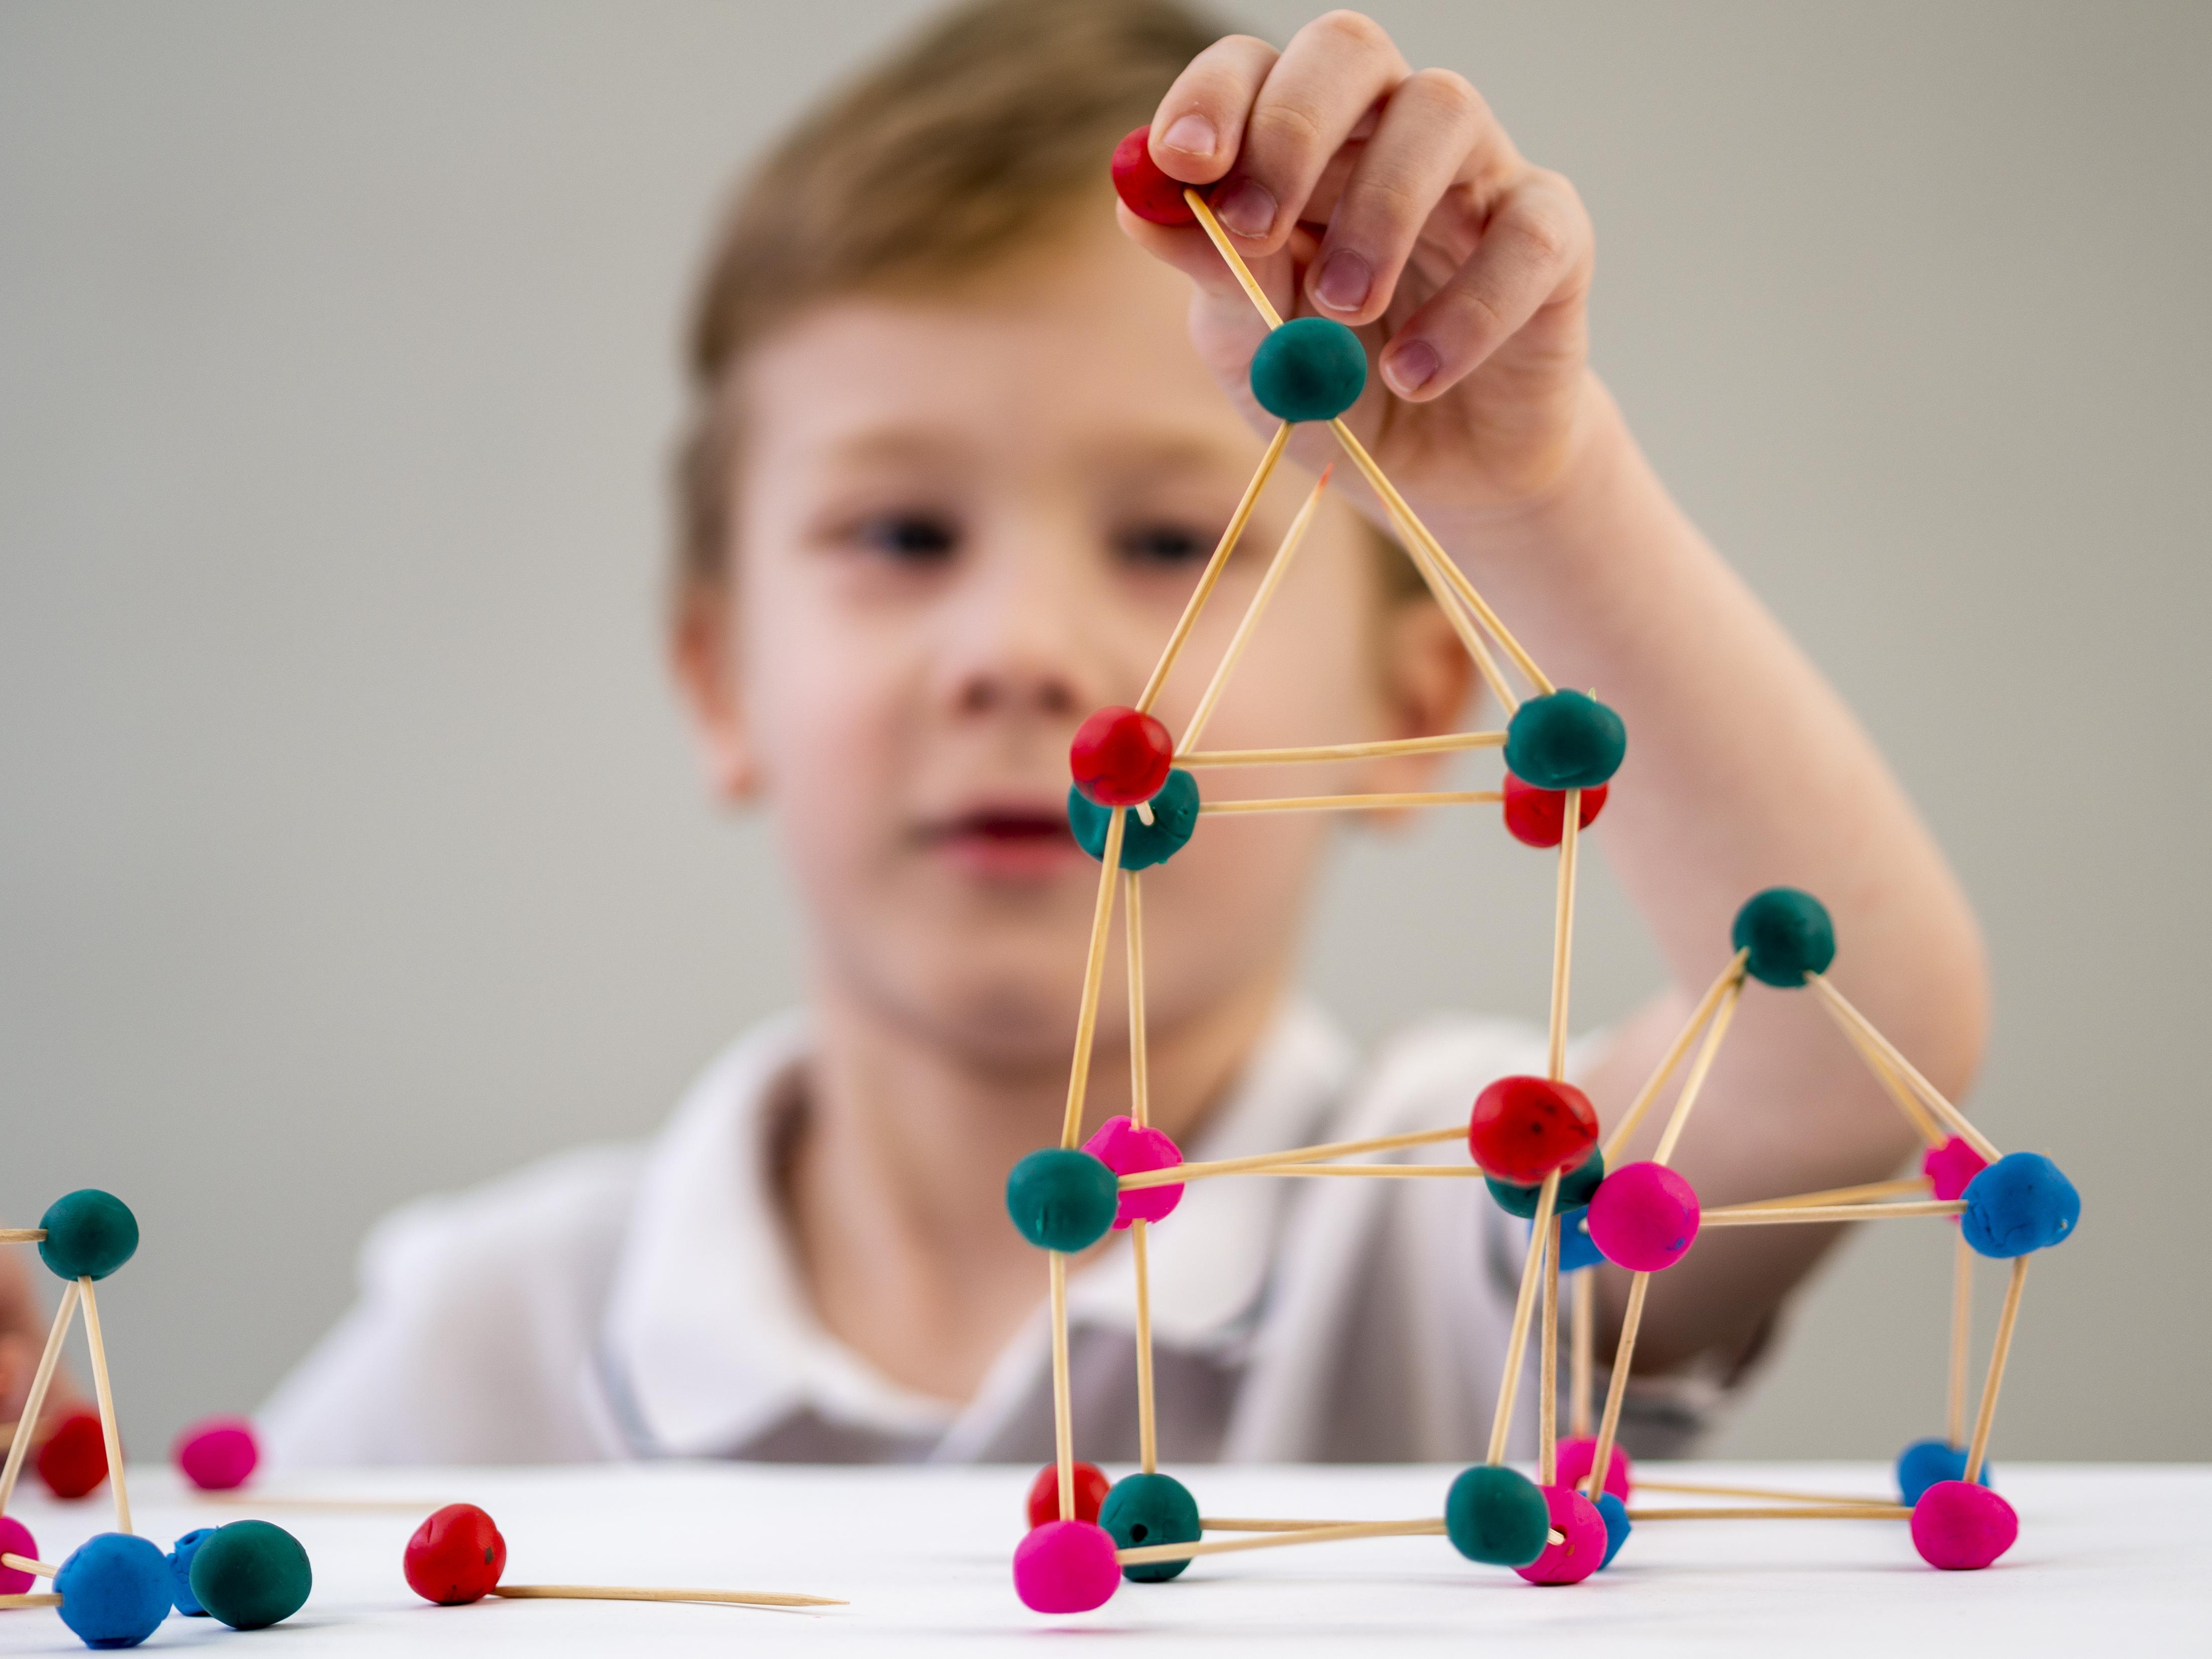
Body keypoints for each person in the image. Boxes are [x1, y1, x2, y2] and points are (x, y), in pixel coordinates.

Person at [1, 0, 1987, 1471]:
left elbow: (1842, 1050)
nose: (1021, 649)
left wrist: (1524, 491)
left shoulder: (1465, 1222)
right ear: (719, 681)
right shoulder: (494, 1323)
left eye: (1161, 537)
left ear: (1413, 705)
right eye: (896, 534)